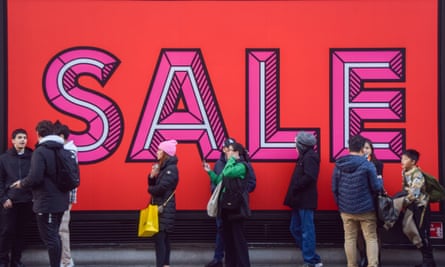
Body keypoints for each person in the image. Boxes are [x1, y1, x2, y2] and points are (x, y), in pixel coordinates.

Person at [10, 120, 69, 267]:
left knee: (50, 238)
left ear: (38, 133)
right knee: (55, 236)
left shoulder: (41, 151)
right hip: (61, 201)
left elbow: (35, 177)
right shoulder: (62, 149)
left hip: (46, 203)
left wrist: (21, 183)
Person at [332, 135, 383, 267]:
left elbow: (334, 188)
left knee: (349, 238)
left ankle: (351, 265)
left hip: (346, 209)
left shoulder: (339, 165)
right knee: (371, 238)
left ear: (349, 148)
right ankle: (372, 264)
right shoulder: (368, 165)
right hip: (366, 209)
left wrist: (341, 205)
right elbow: (376, 187)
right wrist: (380, 179)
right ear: (362, 149)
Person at [205, 138, 256, 267]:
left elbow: (227, 172)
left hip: (237, 207)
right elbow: (219, 180)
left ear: (237, 152)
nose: (226, 153)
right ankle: (230, 263)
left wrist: (232, 159)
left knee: (238, 239)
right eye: (226, 150)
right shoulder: (229, 164)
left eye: (230, 151)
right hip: (226, 207)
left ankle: (243, 264)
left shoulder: (241, 166)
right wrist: (209, 172)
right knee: (228, 239)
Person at [283, 131, 323, 267]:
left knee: (307, 230)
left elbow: (310, 176)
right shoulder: (305, 156)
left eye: (296, 143)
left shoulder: (310, 157)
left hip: (305, 200)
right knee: (295, 228)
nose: (295, 145)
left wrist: (296, 185)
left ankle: (310, 260)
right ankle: (313, 257)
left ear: (302, 145)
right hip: (299, 200)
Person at [0, 129, 34, 267]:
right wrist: (3, 198)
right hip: (9, 202)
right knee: (6, 232)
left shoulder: (32, 157)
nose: (23, 140)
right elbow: (0, 181)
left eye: (25, 137)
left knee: (21, 233)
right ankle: (3, 261)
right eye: (19, 137)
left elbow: (35, 178)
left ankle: (16, 261)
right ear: (13, 140)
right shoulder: (4, 159)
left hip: (26, 202)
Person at [398, 149, 436, 267]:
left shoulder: (417, 174)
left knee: (423, 233)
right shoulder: (405, 171)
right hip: (413, 206)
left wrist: (400, 203)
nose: (402, 161)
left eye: (405, 159)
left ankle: (429, 261)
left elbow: (414, 194)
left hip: (421, 207)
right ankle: (427, 260)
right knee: (414, 231)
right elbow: (405, 189)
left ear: (413, 161)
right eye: (402, 158)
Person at [148, 139, 179, 267]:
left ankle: (162, 264)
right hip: (160, 208)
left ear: (166, 153)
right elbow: (155, 185)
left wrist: (150, 189)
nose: (157, 152)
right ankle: (165, 264)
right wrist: (152, 176)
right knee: (163, 239)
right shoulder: (163, 168)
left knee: (161, 240)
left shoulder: (171, 169)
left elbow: (161, 188)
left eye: (160, 150)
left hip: (164, 210)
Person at [54, 121, 78, 267]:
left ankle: (66, 260)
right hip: (63, 196)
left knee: (62, 229)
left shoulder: (68, 152)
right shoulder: (68, 150)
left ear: (61, 136)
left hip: (64, 196)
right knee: (60, 229)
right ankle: (64, 259)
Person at [357, 138, 384, 267]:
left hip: (373, 202)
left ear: (372, 150)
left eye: (368, 148)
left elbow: (377, 184)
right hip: (358, 202)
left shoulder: (377, 164)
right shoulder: (355, 163)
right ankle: (363, 257)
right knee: (358, 233)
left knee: (373, 233)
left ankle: (376, 259)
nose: (365, 150)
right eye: (363, 148)